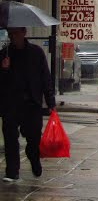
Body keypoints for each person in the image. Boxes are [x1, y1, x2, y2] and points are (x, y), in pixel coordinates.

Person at [0, 27, 56, 182]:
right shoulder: (5, 54)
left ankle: (33, 157)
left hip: (31, 103)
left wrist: (50, 101)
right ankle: (12, 171)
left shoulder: (36, 52)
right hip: (10, 103)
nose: (13, 37)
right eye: (10, 34)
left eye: (16, 33)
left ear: (24, 33)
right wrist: (4, 69)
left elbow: (45, 77)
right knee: (10, 138)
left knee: (34, 138)